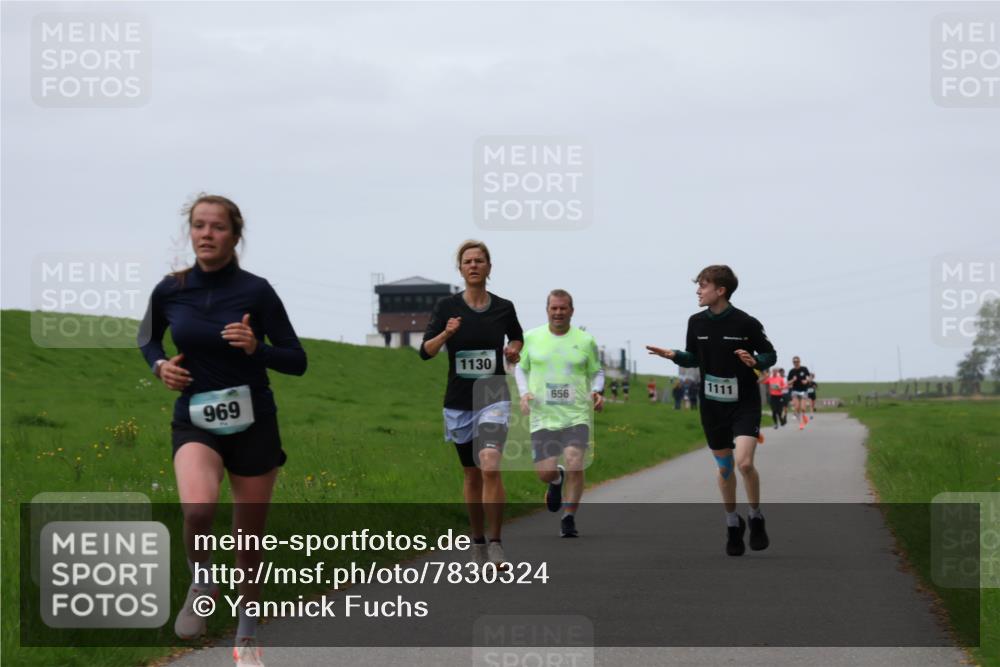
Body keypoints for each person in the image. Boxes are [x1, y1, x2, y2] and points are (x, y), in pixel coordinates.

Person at [139, 194, 307, 667]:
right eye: (199, 225)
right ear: (190, 232)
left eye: (217, 227)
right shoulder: (170, 290)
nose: (206, 234)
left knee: (247, 541)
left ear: (235, 236)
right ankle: (202, 582)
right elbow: (147, 338)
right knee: (197, 510)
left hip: (254, 423)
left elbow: (297, 360)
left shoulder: (257, 292)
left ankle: (246, 637)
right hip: (196, 417)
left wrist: (257, 348)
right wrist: (160, 367)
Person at [647, 264, 775, 556]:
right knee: (726, 468)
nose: (698, 291)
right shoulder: (696, 322)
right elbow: (694, 357)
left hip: (744, 403)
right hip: (712, 406)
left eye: (703, 286)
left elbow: (770, 354)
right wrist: (674, 355)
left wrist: (755, 361)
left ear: (721, 290)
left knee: (744, 463)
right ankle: (732, 523)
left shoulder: (746, 323)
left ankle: (756, 517)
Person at [420, 240, 523, 569]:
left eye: (479, 260)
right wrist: (446, 334)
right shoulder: (446, 307)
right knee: (471, 474)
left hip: (493, 396)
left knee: (489, 464)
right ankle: (477, 541)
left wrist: (513, 349)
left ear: (489, 267)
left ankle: (496, 543)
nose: (474, 265)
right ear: (461, 269)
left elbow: (517, 336)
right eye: (468, 261)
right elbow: (426, 351)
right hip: (459, 400)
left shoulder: (504, 307)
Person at [515, 289, 604, 537]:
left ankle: (569, 517)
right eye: (554, 308)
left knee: (575, 461)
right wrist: (524, 393)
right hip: (542, 415)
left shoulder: (585, 340)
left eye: (563, 308)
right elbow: (520, 368)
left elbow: (597, 371)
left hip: (576, 414)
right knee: (545, 473)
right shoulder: (531, 337)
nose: (558, 312)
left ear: (571, 311)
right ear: (547, 310)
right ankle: (556, 480)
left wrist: (597, 391)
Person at [786, 356, 813, 430]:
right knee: (797, 407)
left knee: (803, 408)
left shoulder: (804, 369)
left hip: (803, 390)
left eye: (797, 361)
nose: (796, 363)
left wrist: (806, 381)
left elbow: (809, 378)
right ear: (793, 362)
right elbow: (788, 382)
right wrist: (793, 380)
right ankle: (801, 423)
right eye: (794, 362)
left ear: (799, 362)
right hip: (795, 391)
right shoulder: (791, 371)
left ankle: (804, 416)